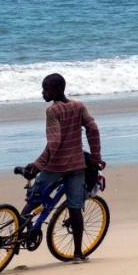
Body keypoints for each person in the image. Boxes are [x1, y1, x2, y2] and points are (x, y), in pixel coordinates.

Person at [25, 73, 104, 263]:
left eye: (46, 89)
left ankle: (22, 234)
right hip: (77, 165)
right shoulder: (79, 106)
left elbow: (54, 142)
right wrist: (95, 157)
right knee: (75, 208)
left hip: (56, 166)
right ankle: (78, 254)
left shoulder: (52, 111)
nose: (43, 92)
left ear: (57, 90)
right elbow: (93, 129)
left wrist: (37, 165)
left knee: (33, 200)